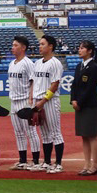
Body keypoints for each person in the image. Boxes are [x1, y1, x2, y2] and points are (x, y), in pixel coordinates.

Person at [7, 35, 42, 171]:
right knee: (18, 132)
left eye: (16, 45)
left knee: (30, 131)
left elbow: (33, 81)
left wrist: (31, 100)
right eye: (13, 45)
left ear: (23, 48)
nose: (13, 47)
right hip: (14, 101)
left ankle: (35, 161)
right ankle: (22, 160)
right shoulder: (12, 64)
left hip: (24, 101)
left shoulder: (28, 63)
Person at [32, 35, 65, 173]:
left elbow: (55, 85)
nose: (40, 46)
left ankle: (58, 164)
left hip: (49, 101)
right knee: (44, 134)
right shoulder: (37, 63)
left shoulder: (55, 63)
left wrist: (43, 101)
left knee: (55, 132)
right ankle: (46, 162)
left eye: (43, 44)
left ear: (50, 46)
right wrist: (34, 101)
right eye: (40, 44)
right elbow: (35, 82)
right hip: (38, 100)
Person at [70, 41, 97, 176]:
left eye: (82, 48)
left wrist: (79, 102)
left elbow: (90, 88)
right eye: (79, 47)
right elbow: (74, 85)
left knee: (92, 135)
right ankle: (86, 164)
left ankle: (94, 165)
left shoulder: (94, 67)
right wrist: (73, 100)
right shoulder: (79, 66)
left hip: (90, 105)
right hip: (80, 105)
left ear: (89, 51)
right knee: (84, 136)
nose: (79, 50)